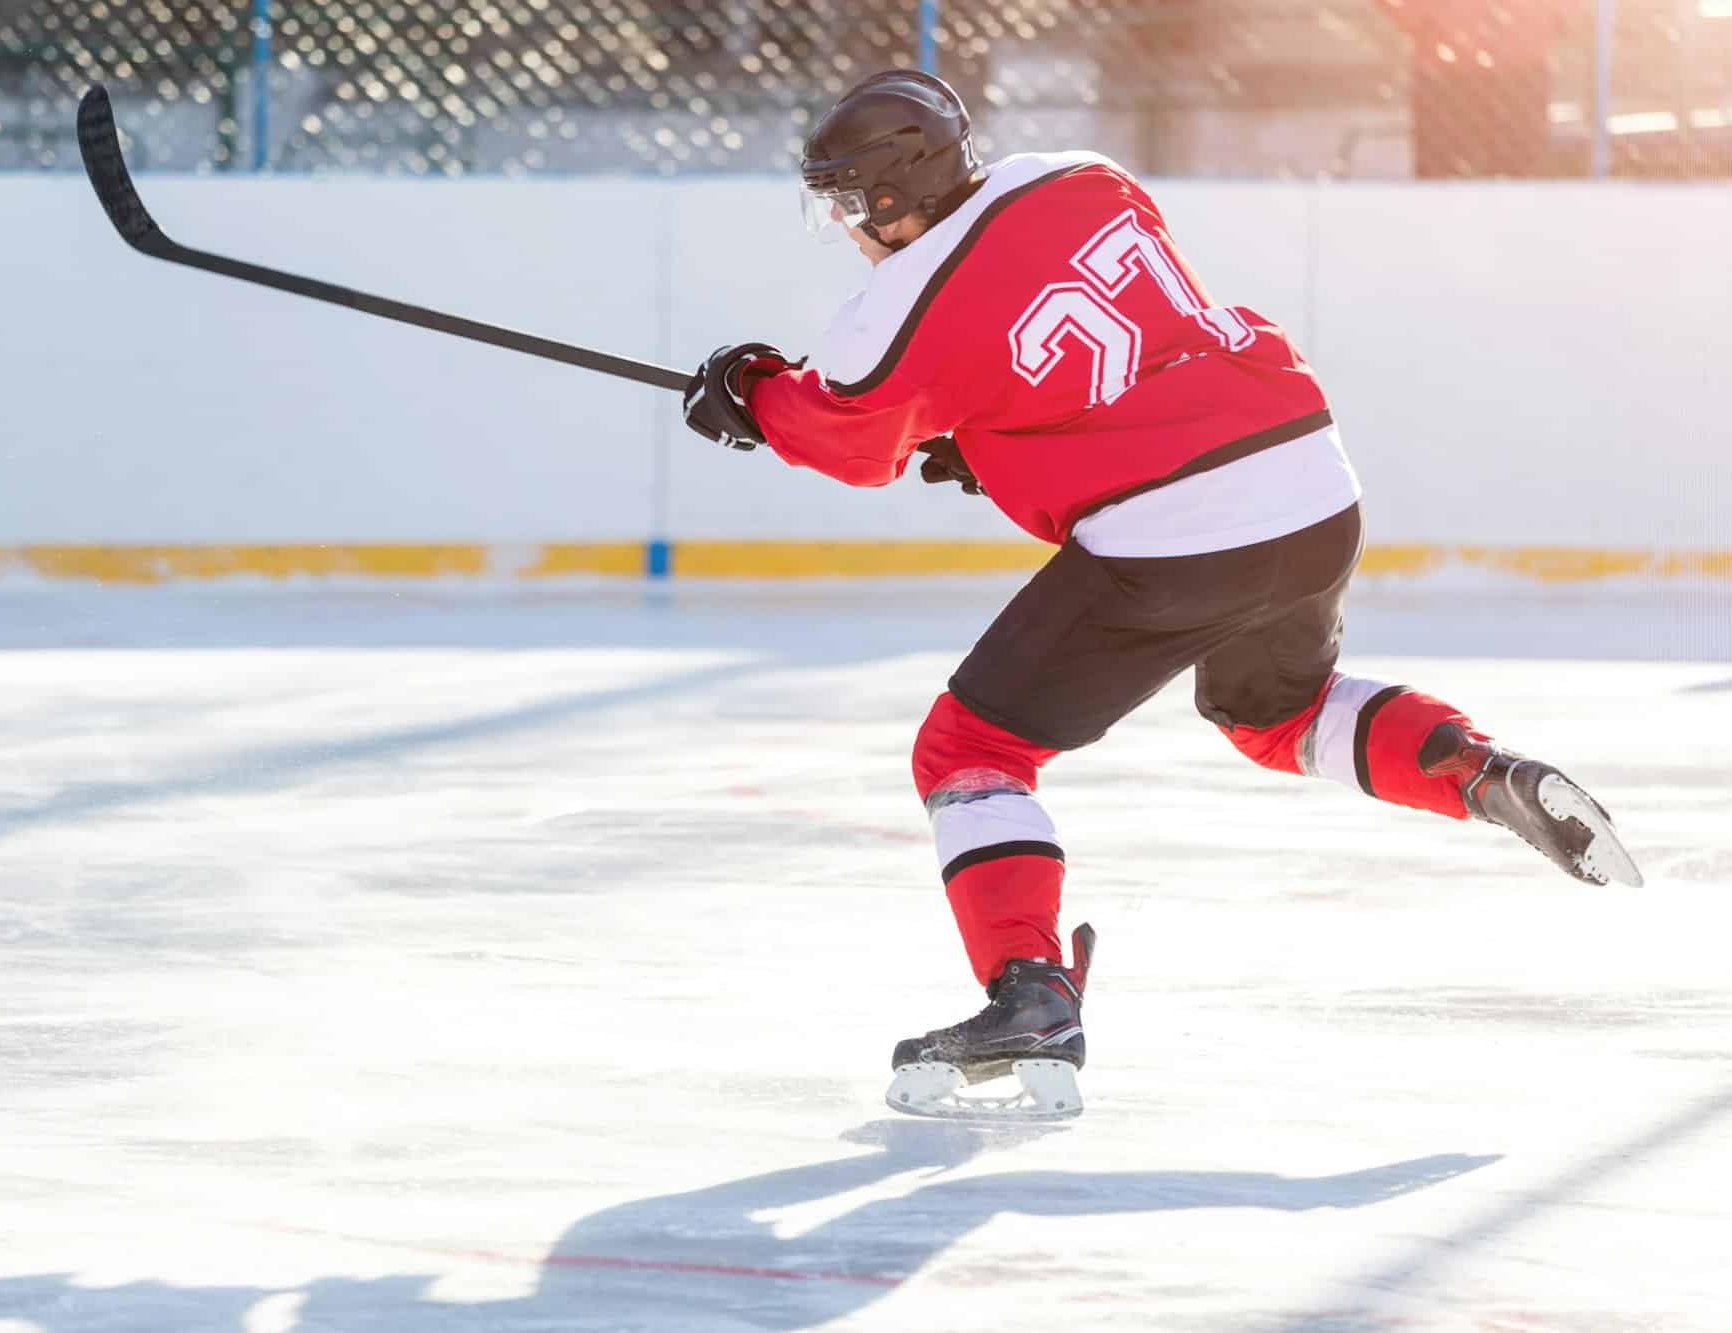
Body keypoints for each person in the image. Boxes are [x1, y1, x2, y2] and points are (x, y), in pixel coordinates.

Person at [680, 70, 1641, 1118]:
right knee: (1273, 715)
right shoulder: (1078, 178)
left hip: (1177, 532)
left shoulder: (899, 302)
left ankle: (1028, 993)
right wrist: (995, 432)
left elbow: (847, 433)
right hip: (1306, 481)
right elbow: (1105, 342)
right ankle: (1469, 768)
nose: (844, 226)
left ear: (887, 198)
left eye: (844, 203)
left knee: (970, 752)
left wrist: (749, 395)